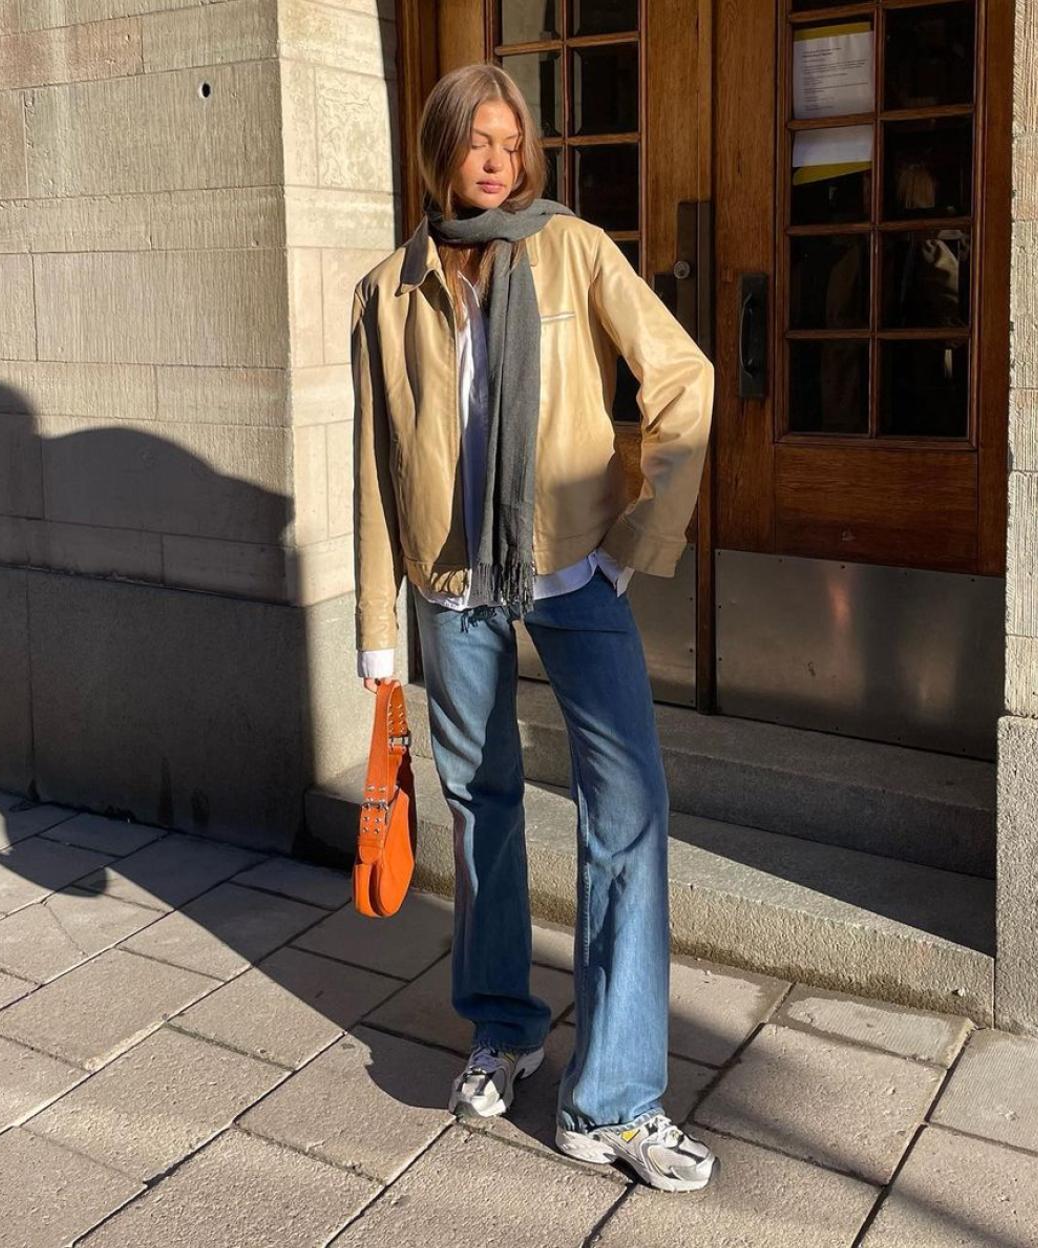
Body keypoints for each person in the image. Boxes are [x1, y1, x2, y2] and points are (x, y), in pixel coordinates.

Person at [349, 62, 717, 1193]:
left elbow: (685, 381)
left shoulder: (574, 250)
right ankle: (503, 1027)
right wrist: (377, 624)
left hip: (572, 571)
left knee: (628, 810)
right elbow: (374, 462)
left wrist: (633, 542)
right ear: (440, 152)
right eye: (478, 141)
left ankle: (614, 1101)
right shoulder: (389, 289)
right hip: (449, 581)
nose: (498, 160)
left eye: (512, 143)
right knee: (482, 804)